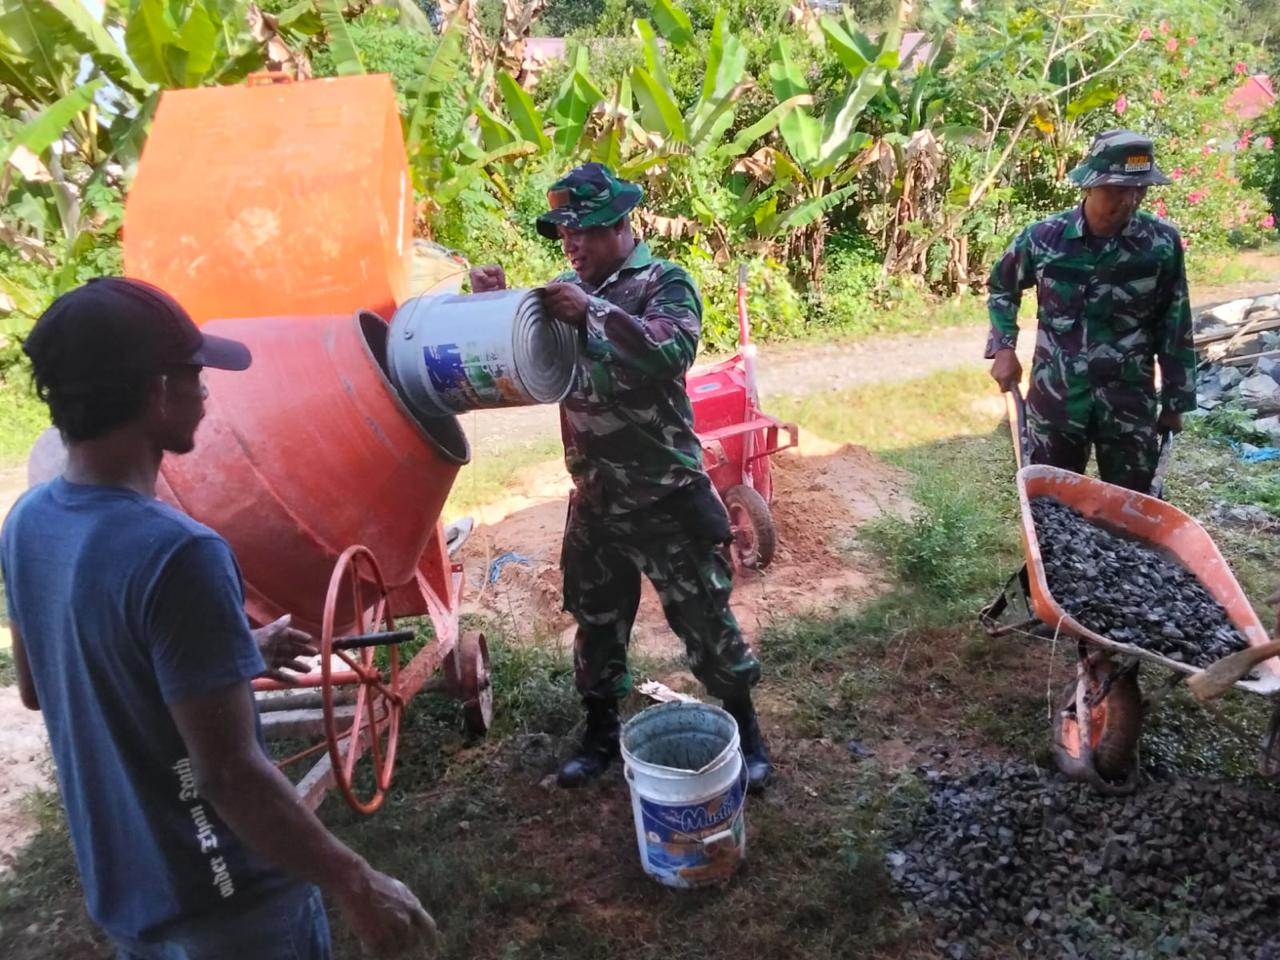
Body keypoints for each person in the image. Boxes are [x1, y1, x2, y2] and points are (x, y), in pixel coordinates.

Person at [2, 278, 438, 960]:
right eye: (195, 373)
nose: (208, 389)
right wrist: (355, 880)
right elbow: (227, 775)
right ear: (155, 393)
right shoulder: (180, 553)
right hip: (232, 904)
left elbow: (44, 684)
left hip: (130, 895)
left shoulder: (27, 523)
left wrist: (222, 659)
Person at [469, 163, 772, 790]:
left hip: (665, 496)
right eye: (562, 234)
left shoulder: (664, 282)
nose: (571, 245)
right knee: (597, 622)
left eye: (581, 231)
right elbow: (527, 362)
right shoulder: (562, 292)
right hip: (597, 499)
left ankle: (747, 732)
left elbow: (671, 352)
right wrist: (494, 306)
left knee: (704, 621)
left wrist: (594, 314)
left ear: (617, 225)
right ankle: (600, 733)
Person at [985, 129, 1197, 492]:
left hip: (1129, 405)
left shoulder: (1160, 243)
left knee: (1135, 507)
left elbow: (1175, 321)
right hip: (1057, 401)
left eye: (1139, 190)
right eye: (1117, 189)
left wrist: (1176, 402)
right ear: (1089, 186)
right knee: (1052, 504)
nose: (1129, 201)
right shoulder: (1043, 238)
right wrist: (1003, 348)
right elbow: (1002, 288)